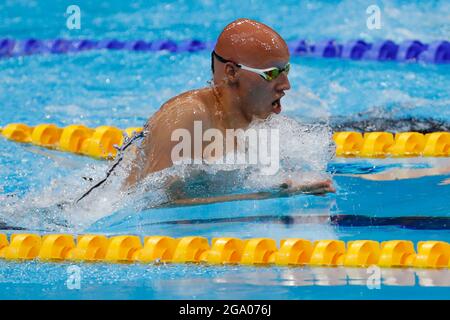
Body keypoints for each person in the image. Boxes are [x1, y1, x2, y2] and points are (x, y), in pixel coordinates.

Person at [124, 18, 335, 205]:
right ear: (232, 72)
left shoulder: (251, 121)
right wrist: (270, 194)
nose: (285, 84)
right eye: (271, 74)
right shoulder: (188, 117)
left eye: (285, 70)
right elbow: (154, 203)